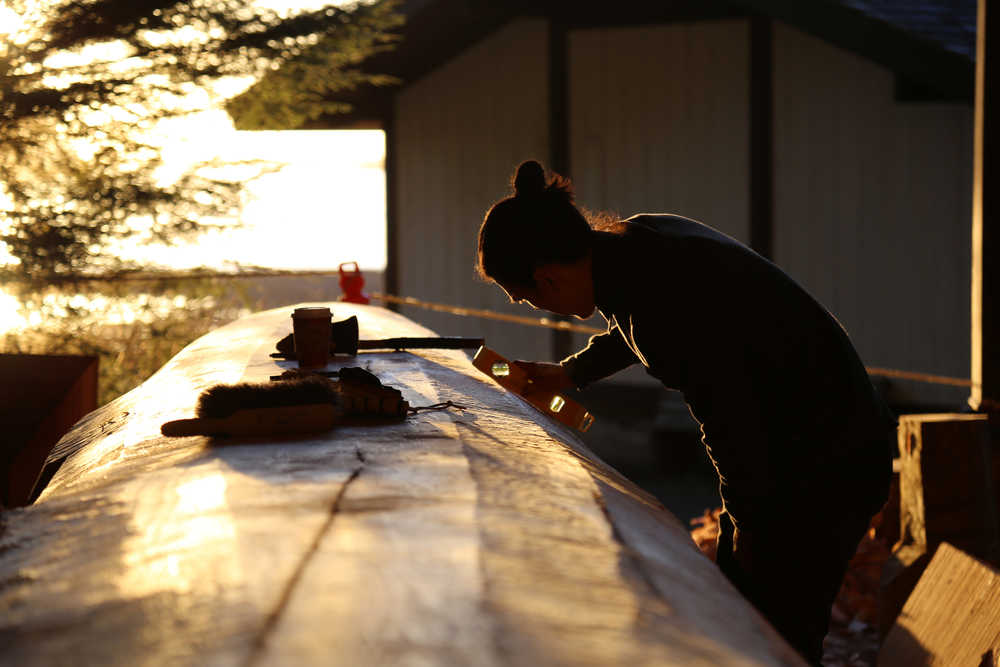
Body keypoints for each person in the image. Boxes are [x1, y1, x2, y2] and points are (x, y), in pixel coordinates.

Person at [476, 159, 894, 664]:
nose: (537, 309)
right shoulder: (638, 245)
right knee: (745, 606)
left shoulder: (660, 303)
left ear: (546, 279)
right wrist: (568, 373)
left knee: (776, 636)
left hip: (828, 459)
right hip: (817, 433)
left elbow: (732, 427)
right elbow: (635, 327)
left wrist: (746, 532)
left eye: (525, 298)